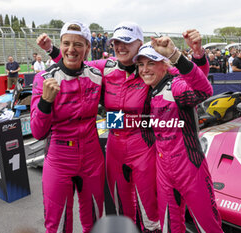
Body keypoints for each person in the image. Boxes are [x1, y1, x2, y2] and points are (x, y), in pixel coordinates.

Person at [36, 23, 208, 233]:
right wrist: (52, 50)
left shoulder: (148, 67)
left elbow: (193, 80)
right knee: (122, 207)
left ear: (139, 44)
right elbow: (74, 62)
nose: (120, 47)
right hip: (114, 146)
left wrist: (198, 55)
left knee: (150, 212)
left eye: (127, 42)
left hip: (143, 145)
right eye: (117, 42)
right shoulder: (106, 66)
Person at [133, 37, 223, 233]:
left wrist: (176, 55)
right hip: (163, 170)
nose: (144, 69)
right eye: (140, 64)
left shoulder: (176, 85)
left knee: (208, 227)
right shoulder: (149, 90)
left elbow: (203, 89)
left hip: (190, 168)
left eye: (150, 63)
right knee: (169, 228)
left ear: (164, 65)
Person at [30, 21, 105, 233]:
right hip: (59, 158)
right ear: (60, 45)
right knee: (58, 224)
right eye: (66, 43)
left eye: (78, 44)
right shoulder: (44, 78)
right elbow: (37, 132)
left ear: (88, 48)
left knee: (95, 220)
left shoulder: (97, 74)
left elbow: (126, 70)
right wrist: (45, 102)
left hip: (92, 157)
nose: (71, 49)